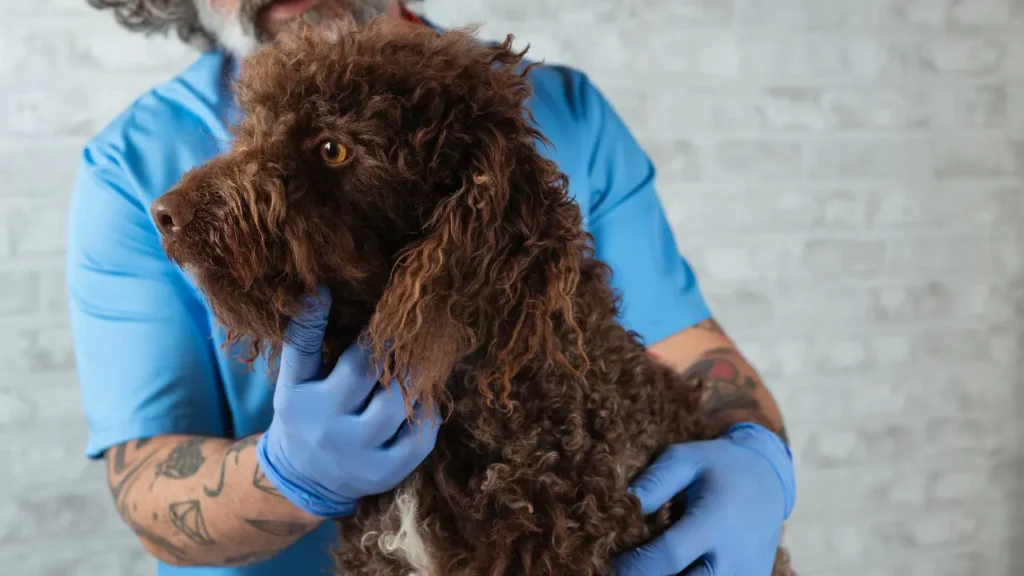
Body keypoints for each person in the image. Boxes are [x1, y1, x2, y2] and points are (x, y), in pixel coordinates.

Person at [68, 1, 797, 575]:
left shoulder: (554, 112)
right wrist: (289, 475)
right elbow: (144, 488)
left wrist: (756, 460)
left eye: (331, 150)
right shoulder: (130, 167)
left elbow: (696, 350)